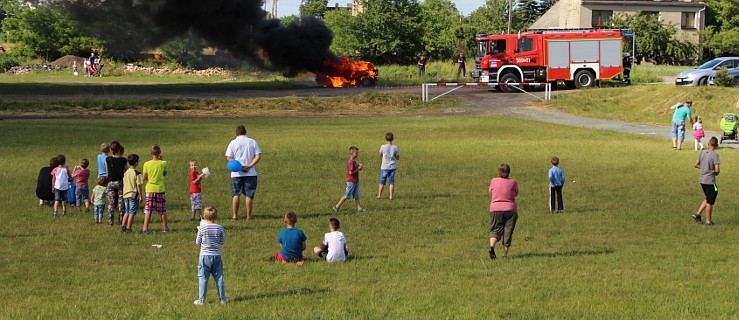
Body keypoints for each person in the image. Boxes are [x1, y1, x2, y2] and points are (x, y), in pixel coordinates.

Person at [225, 125, 261, 221]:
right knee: (249, 195)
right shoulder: (252, 142)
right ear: (245, 132)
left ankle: (234, 216)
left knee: (236, 194)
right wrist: (249, 166)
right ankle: (248, 216)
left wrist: (239, 166)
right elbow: (258, 156)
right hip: (251, 173)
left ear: (236, 133)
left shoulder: (233, 143)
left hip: (236, 174)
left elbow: (228, 157)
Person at [194, 206, 228, 305]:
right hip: (217, 255)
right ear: (216, 216)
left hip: (204, 256)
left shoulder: (202, 228)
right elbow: (222, 241)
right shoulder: (220, 227)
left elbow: (198, 242)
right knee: (219, 277)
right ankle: (223, 299)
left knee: (203, 277)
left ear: (204, 216)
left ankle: (201, 300)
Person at [488, 163, 519, 259]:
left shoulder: (493, 181)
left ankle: (492, 246)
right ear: (509, 172)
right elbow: (516, 193)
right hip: (510, 209)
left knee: (495, 229)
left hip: (495, 208)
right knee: (508, 231)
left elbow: (490, 192)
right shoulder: (513, 182)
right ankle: (505, 254)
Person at [692, 137, 720, 226]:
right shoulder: (715, 155)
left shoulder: (703, 152)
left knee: (709, 196)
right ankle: (708, 221)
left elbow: (696, 164)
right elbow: (717, 170)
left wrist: (704, 168)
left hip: (702, 180)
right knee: (710, 200)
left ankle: (698, 214)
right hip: (710, 181)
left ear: (708, 144)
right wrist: (713, 172)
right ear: (716, 145)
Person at [142, 144, 169, 234]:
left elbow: (144, 177)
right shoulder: (163, 163)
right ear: (159, 153)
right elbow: (164, 173)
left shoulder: (146, 164)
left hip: (150, 188)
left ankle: (145, 228)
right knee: (162, 210)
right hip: (160, 188)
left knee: (148, 210)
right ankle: (165, 228)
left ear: (151, 153)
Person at [333, 146, 366, 212]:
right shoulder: (350, 162)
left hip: (355, 181)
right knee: (347, 195)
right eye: (356, 153)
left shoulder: (354, 162)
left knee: (356, 195)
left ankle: (359, 208)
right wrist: (358, 169)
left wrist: (360, 167)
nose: (357, 154)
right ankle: (337, 206)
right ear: (352, 153)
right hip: (351, 181)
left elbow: (357, 169)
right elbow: (350, 172)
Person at [105, 141, 127, 225]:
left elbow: (107, 171)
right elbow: (126, 171)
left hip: (110, 182)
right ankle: (122, 219)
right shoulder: (123, 160)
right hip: (120, 182)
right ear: (119, 149)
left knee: (111, 202)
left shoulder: (108, 159)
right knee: (121, 202)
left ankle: (110, 220)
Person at [121, 154, 143, 233]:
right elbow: (139, 185)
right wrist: (140, 196)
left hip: (125, 194)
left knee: (127, 211)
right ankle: (128, 228)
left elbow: (124, 181)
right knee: (132, 212)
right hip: (133, 194)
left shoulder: (126, 172)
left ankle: (123, 226)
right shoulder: (137, 173)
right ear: (136, 162)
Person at [377, 132, 400, 200]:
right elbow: (398, 158)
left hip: (384, 167)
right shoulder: (395, 147)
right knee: (391, 182)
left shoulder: (382, 147)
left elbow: (380, 155)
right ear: (393, 139)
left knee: (382, 181)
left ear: (385, 138)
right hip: (392, 167)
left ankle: (379, 195)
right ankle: (391, 196)